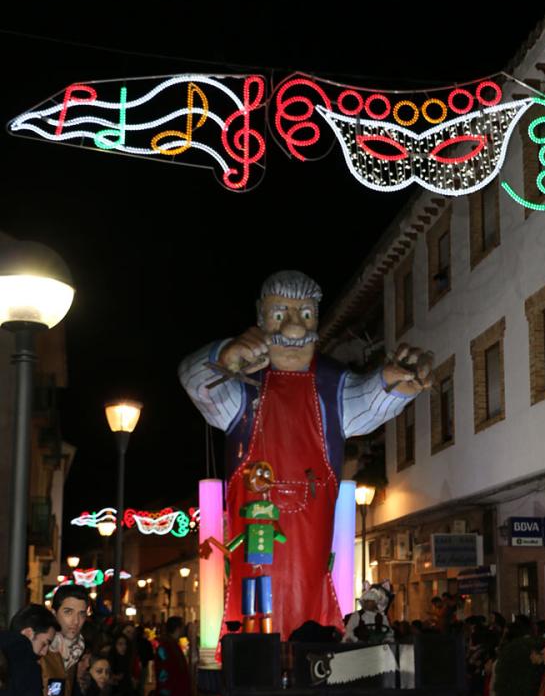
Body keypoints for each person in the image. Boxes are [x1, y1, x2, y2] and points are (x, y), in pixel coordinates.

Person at [179, 270, 433, 642]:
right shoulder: (241, 386)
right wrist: (223, 353)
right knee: (253, 620)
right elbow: (193, 380)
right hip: (253, 554)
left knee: (315, 628)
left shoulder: (333, 384)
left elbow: (368, 401)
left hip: (313, 561)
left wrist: (395, 385)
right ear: (260, 318)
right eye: (281, 315)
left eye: (307, 316)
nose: (296, 330)